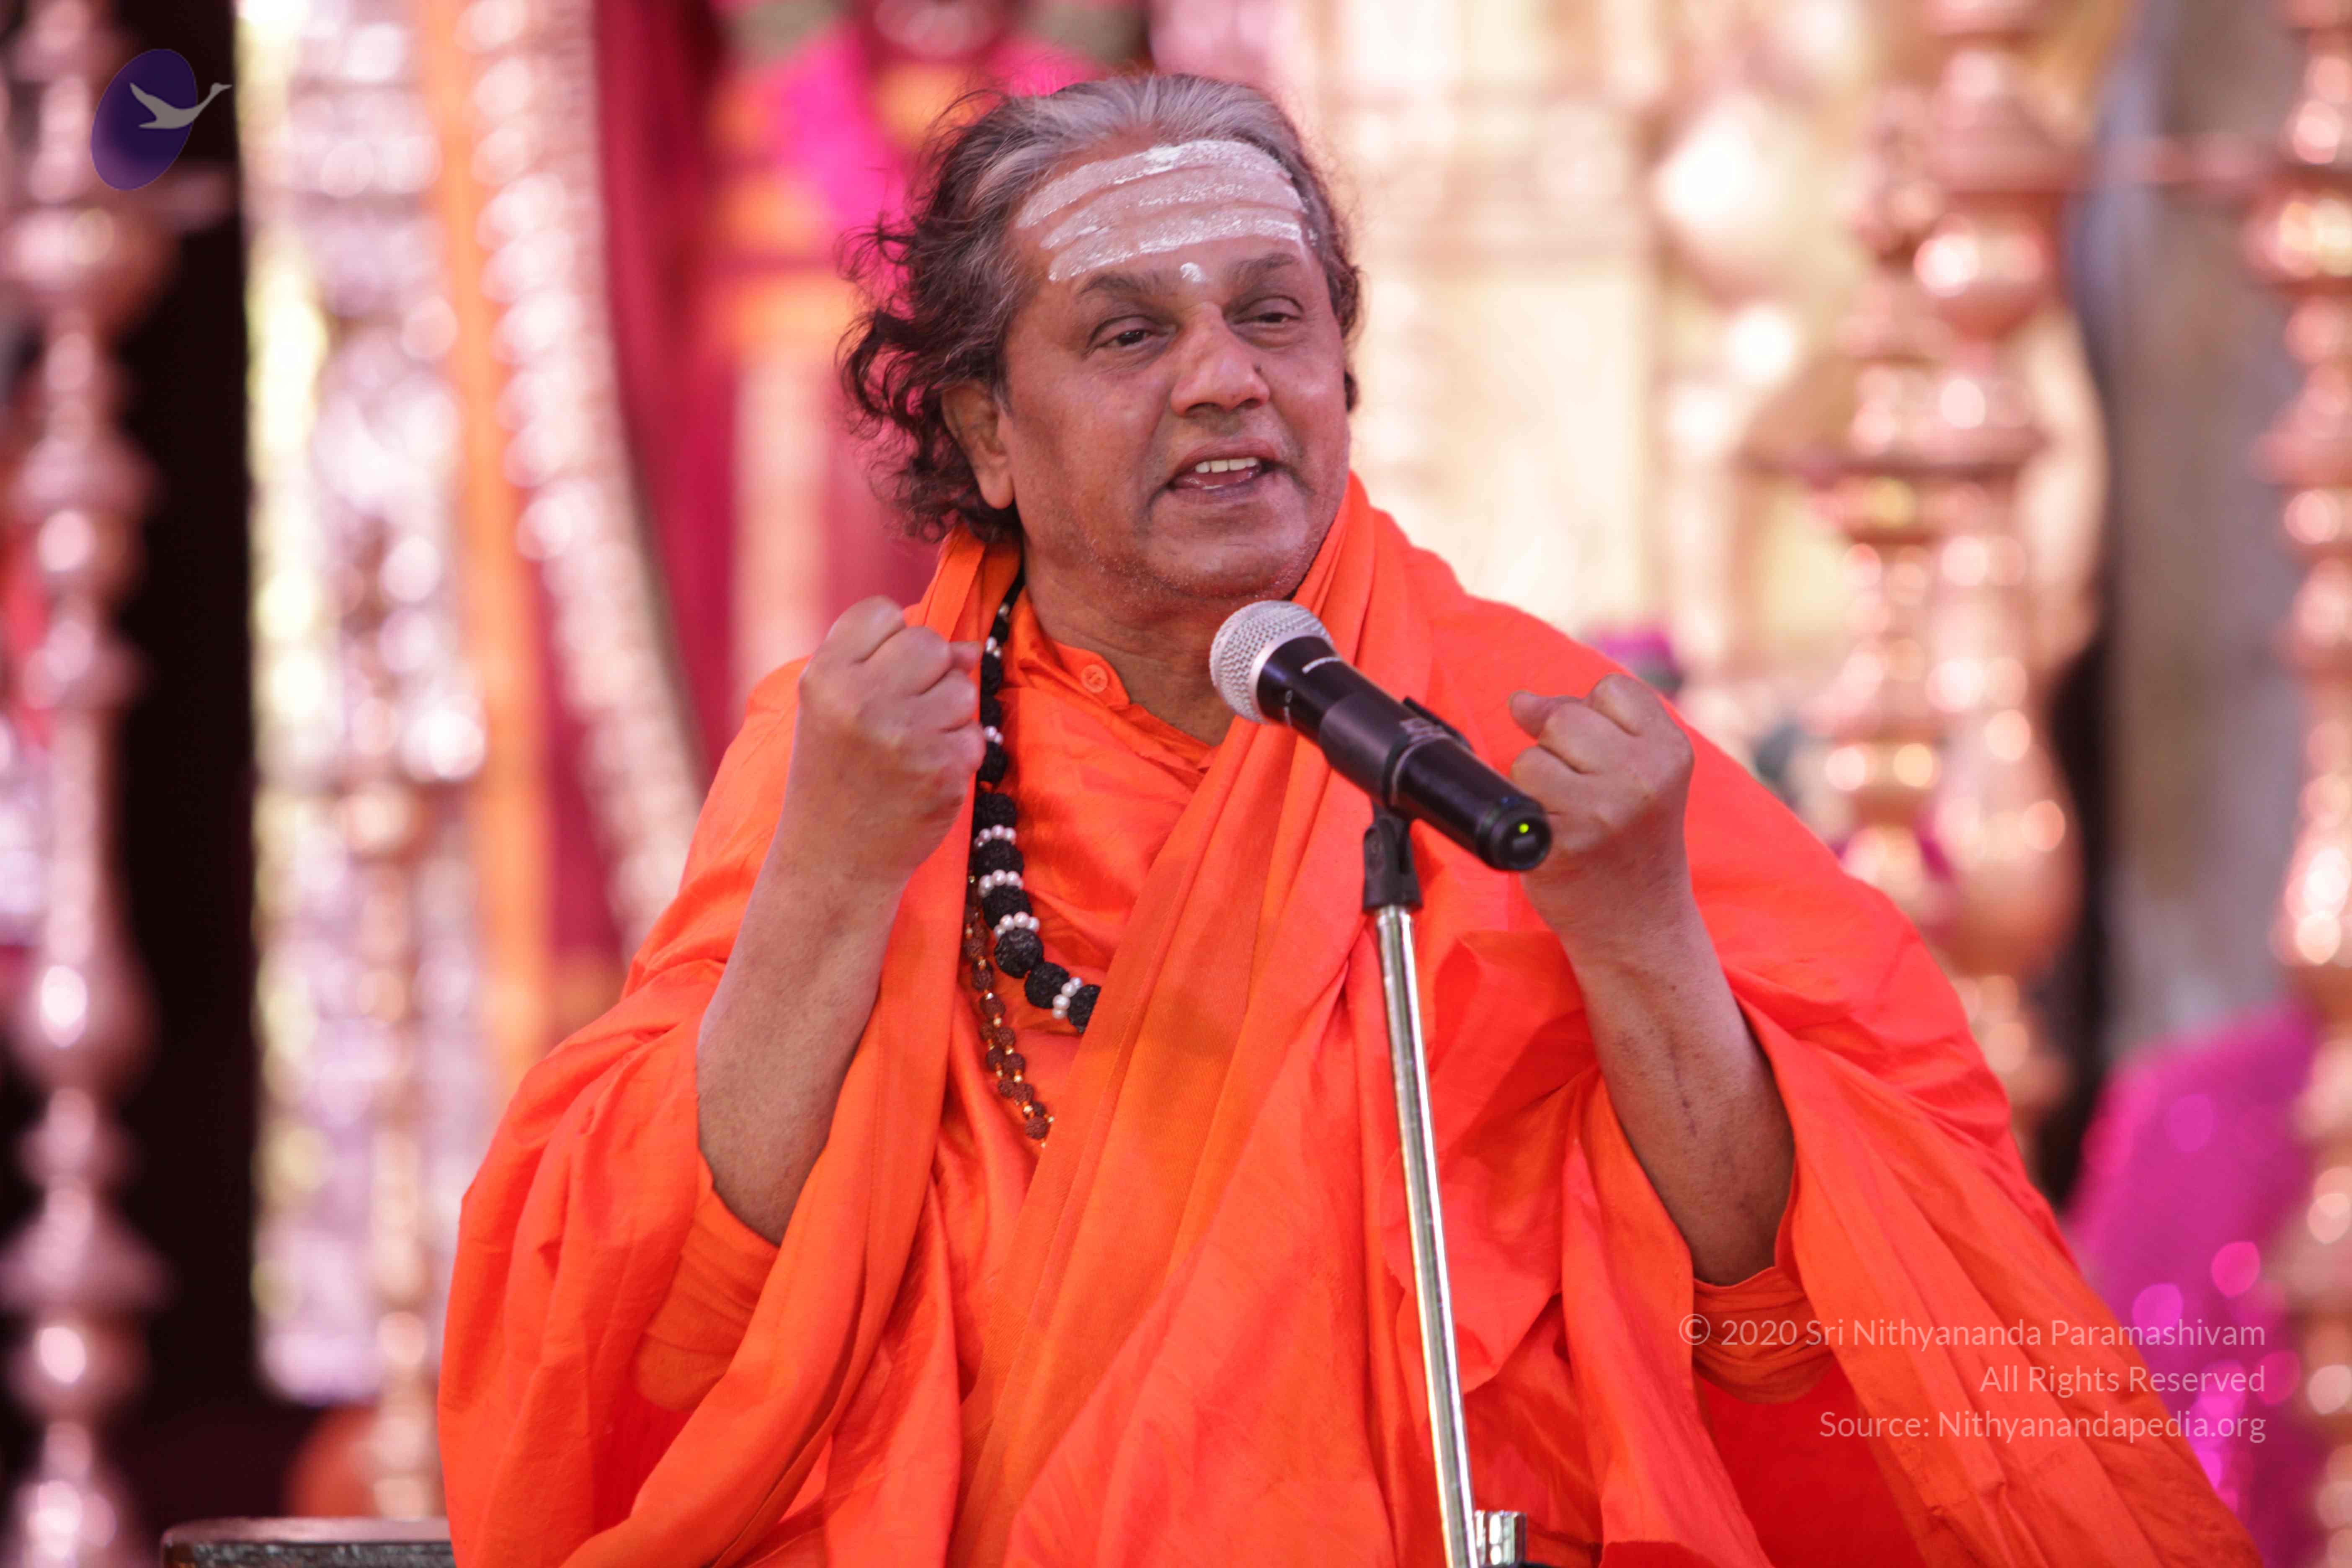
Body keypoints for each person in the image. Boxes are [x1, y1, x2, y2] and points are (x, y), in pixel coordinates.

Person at [439, 74, 2256, 1568]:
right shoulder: (862, 758)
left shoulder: (1522, 739)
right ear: (985, 433)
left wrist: (1643, 946)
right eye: (1131, 332)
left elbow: (1806, 1337)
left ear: (1340, 372)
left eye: (1272, 316)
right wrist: (832, 885)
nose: (1223, 376)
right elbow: (647, 1328)